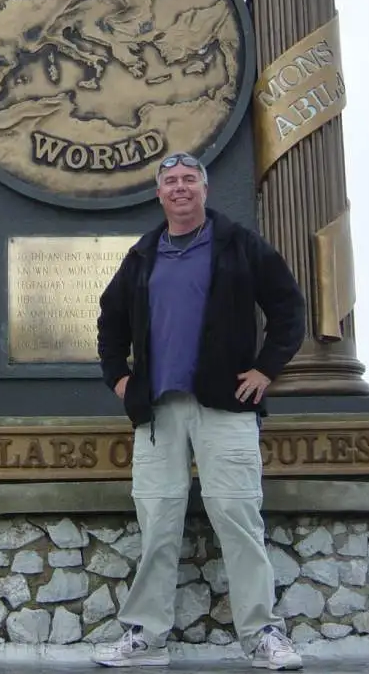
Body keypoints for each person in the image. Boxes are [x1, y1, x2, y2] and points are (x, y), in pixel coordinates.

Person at [93, 152, 306, 671]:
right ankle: (147, 635)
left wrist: (265, 370)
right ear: (160, 194)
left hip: (226, 410)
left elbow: (288, 309)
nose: (181, 188)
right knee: (158, 522)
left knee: (238, 519)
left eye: (190, 180)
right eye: (171, 182)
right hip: (159, 414)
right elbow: (109, 323)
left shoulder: (239, 247)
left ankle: (261, 636)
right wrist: (120, 379)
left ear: (205, 190)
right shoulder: (143, 255)